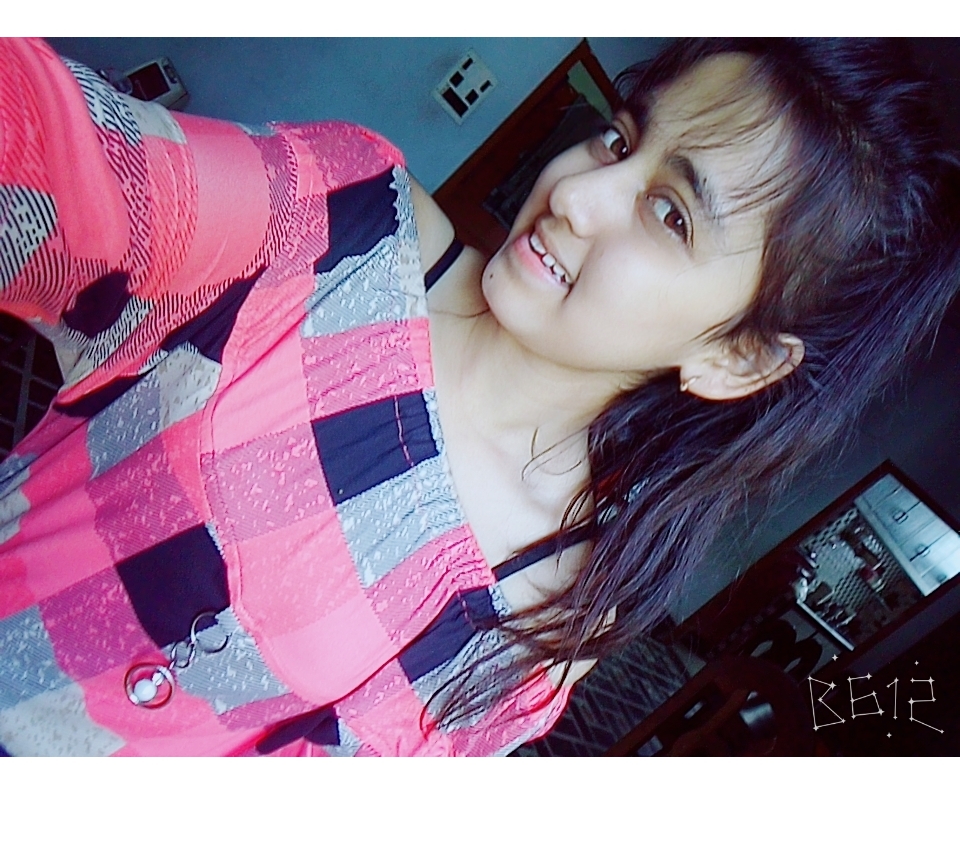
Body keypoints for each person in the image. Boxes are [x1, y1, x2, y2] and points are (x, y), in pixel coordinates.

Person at [0, 38, 957, 756]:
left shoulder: (568, 609)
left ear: (736, 358)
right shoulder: (339, 223)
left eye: (670, 215)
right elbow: (68, 165)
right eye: (620, 139)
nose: (576, 193)